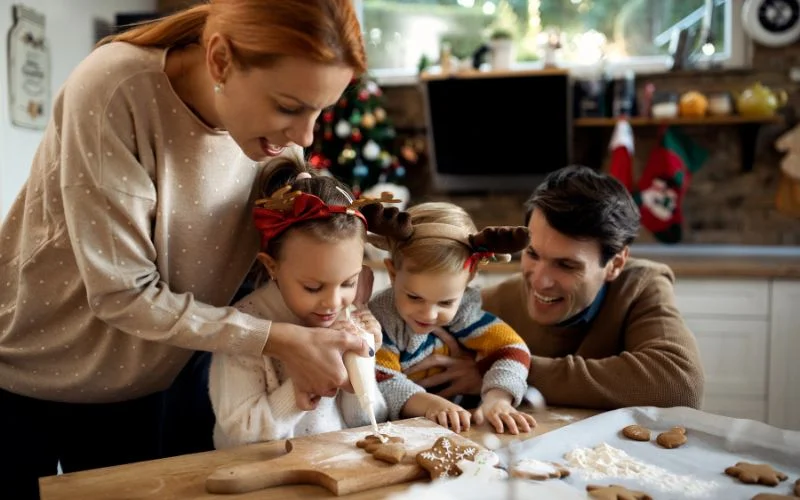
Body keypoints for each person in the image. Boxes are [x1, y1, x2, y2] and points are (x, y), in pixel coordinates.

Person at [0, 1, 372, 497]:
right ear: (219, 59)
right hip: (25, 374)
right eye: (288, 106)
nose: (303, 137)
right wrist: (281, 341)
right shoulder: (115, 90)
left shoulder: (276, 142)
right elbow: (122, 295)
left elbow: (300, 255)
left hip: (155, 381)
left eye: (319, 110)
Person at [413, 166, 705, 411]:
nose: (540, 281)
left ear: (615, 264)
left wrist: (503, 368)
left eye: (566, 265)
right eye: (533, 255)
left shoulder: (640, 285)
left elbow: (679, 385)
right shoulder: (488, 304)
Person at [209, 159, 407, 448]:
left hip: (332, 465)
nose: (333, 302)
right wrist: (298, 390)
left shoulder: (347, 316)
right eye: (313, 287)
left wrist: (358, 372)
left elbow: (369, 420)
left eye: (349, 283)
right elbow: (240, 433)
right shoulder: (243, 327)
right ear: (272, 267)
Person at [368, 202, 537, 435]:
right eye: (415, 297)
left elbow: (512, 349)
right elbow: (380, 378)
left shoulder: (466, 313)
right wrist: (431, 404)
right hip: (398, 432)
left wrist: (497, 399)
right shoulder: (381, 321)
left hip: (463, 430)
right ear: (393, 274)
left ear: (470, 277)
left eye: (446, 302)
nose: (429, 314)